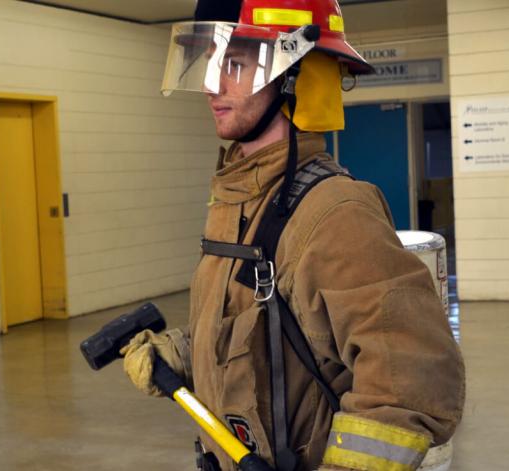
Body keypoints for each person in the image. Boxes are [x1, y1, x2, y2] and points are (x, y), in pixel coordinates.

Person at [120, 1, 465, 470]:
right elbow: (269, 327)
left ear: (294, 79)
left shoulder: (336, 213)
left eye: (235, 64)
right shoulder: (238, 199)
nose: (210, 84)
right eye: (212, 61)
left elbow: (414, 378)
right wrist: (184, 351)